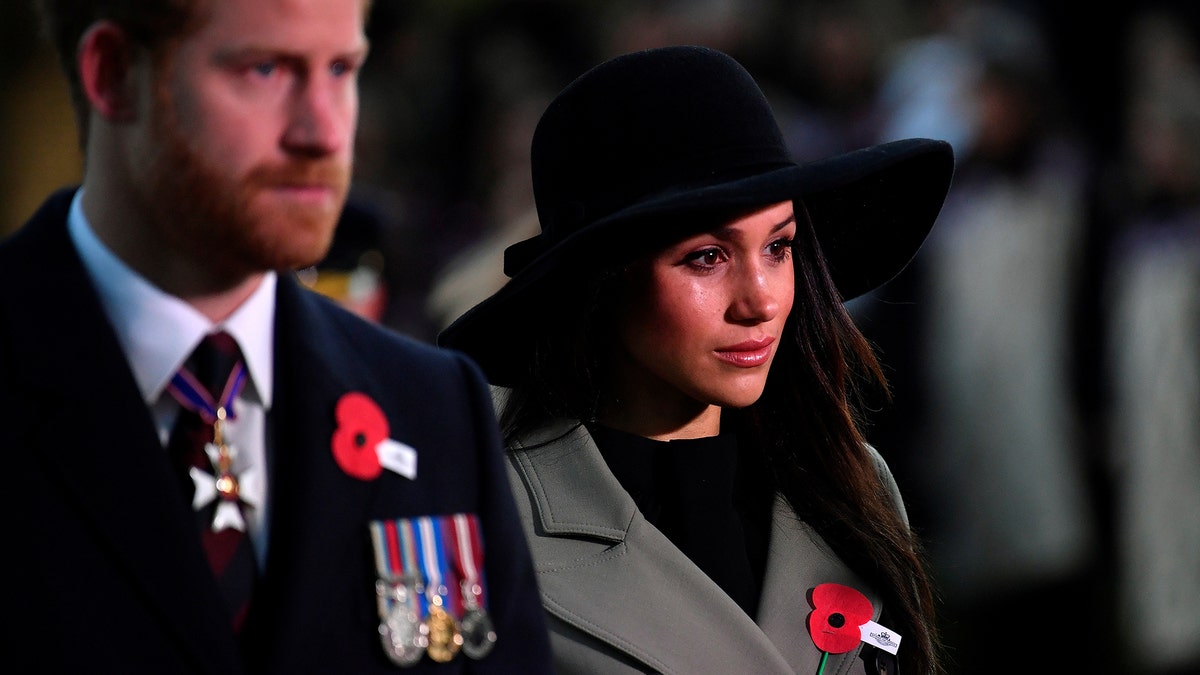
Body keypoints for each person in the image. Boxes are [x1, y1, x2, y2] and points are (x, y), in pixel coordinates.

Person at [0, 1, 553, 672]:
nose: (323, 131)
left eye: (342, 69)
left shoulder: (433, 410)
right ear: (114, 75)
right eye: (265, 70)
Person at [439, 45, 954, 675]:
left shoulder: (849, 484)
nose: (761, 300)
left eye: (779, 246)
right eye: (707, 257)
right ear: (605, 280)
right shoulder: (478, 517)